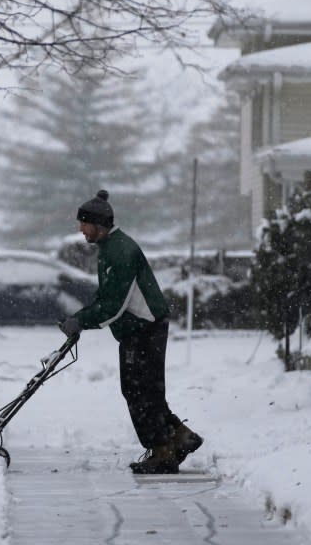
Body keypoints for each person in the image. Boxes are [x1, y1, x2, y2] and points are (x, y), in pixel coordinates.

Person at [58, 190, 203, 474]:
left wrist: (81, 321)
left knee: (139, 391)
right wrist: (79, 318)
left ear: (99, 224)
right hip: (138, 328)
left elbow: (113, 304)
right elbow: (106, 297)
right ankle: (180, 437)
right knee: (144, 390)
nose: (80, 229)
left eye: (84, 224)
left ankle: (162, 451)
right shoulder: (110, 248)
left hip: (144, 327)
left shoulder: (121, 251)